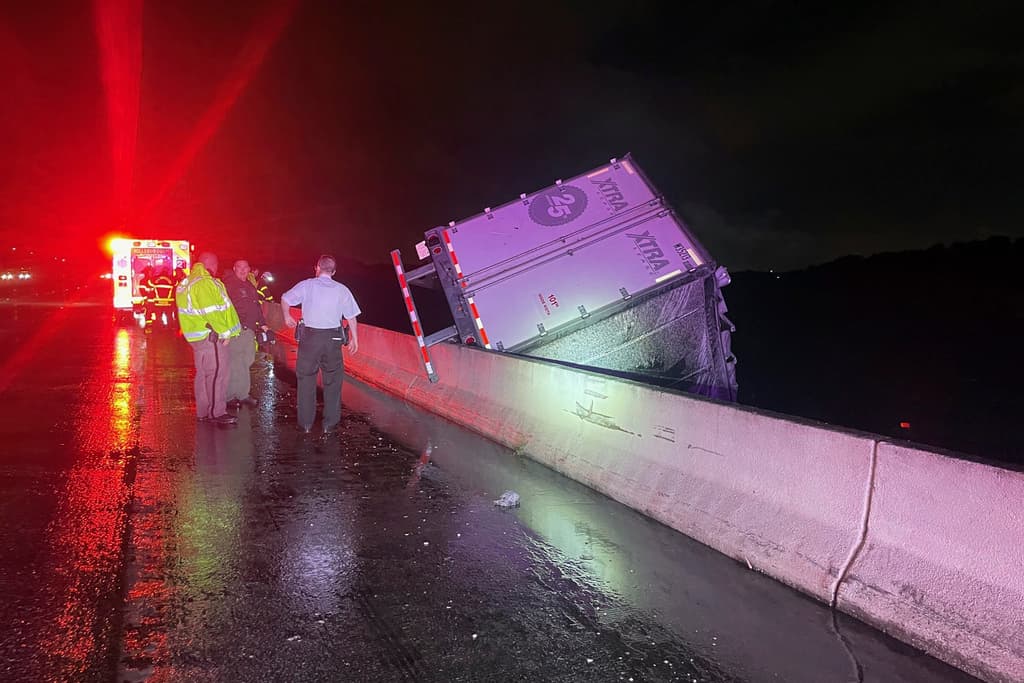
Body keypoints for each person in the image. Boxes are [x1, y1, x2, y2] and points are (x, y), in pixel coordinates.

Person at [280, 254, 360, 434]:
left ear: (317, 267)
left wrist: (287, 316)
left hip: (310, 338)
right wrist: (355, 338)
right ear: (334, 271)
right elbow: (351, 317)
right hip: (333, 340)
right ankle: (329, 425)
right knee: (332, 381)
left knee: (306, 380)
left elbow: (285, 298)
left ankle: (306, 425)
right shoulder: (342, 289)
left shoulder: (307, 285)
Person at [175, 252, 241, 425]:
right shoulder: (204, 282)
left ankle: (203, 411)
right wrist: (224, 333)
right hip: (212, 337)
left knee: (203, 374)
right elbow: (212, 311)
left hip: (198, 337)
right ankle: (217, 412)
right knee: (217, 373)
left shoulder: (187, 282)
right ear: (213, 264)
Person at [223, 259, 268, 407]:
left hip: (249, 330)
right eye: (239, 267)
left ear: (249, 269)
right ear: (234, 268)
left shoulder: (249, 285)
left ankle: (242, 393)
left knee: (246, 361)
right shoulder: (229, 285)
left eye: (245, 267)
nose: (243, 270)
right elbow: (224, 308)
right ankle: (231, 396)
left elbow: (256, 306)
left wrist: (263, 324)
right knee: (235, 362)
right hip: (237, 330)